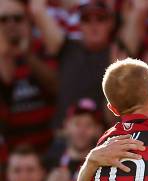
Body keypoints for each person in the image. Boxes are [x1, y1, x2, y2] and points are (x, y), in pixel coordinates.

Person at [31, 0, 136, 128]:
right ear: (79, 24)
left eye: (100, 19)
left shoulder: (119, 52)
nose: (94, 25)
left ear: (111, 23)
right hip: (65, 135)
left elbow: (142, 8)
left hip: (103, 135)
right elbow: (37, 9)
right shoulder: (65, 47)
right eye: (86, 19)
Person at [0, 0, 57, 153]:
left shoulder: (42, 48)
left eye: (17, 18)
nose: (11, 24)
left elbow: (57, 87)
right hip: (11, 155)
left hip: (48, 148)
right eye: (3, 19)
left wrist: (27, 56)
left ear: (28, 21)